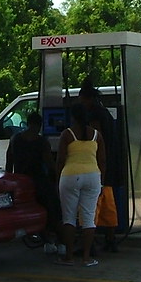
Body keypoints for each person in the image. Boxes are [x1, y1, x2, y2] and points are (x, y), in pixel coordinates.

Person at [56, 102, 105, 267]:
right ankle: (86, 258)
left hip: (70, 176)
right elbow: (102, 161)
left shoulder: (67, 134)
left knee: (69, 218)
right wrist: (102, 182)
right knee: (88, 218)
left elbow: (60, 160)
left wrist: (57, 179)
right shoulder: (97, 135)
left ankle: (69, 257)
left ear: (72, 116)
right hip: (93, 176)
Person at [6, 111, 60, 253]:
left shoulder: (15, 139)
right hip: (38, 180)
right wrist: (56, 176)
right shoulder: (42, 142)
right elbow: (49, 164)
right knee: (52, 207)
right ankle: (52, 240)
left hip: (20, 181)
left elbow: (9, 160)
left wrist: (10, 177)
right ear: (40, 125)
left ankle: (42, 237)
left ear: (27, 123)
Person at [78, 78, 120, 252]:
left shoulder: (94, 115)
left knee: (91, 206)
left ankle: (90, 243)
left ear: (86, 98)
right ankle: (111, 240)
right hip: (110, 166)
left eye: (81, 100)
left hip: (98, 168)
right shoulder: (105, 112)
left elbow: (96, 140)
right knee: (108, 207)